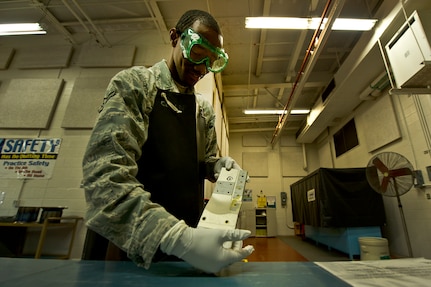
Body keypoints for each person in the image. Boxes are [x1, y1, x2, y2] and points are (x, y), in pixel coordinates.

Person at [81, 9, 254, 273]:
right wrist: (177, 238)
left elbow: (202, 160)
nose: (201, 69)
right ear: (175, 37)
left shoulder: (203, 111)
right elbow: (104, 178)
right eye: (197, 53)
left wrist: (217, 167)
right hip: (128, 247)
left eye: (211, 62)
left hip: (189, 244)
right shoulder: (136, 86)